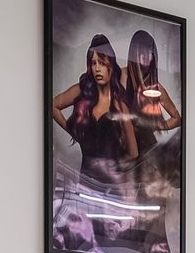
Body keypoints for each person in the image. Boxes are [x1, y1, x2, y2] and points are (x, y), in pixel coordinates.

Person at [50, 33, 138, 189]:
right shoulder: (82, 91)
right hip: (85, 183)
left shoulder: (119, 104)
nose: (97, 68)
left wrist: (117, 167)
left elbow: (133, 153)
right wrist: (74, 131)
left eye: (102, 63)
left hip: (112, 187)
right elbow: (52, 106)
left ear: (110, 64)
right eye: (93, 63)